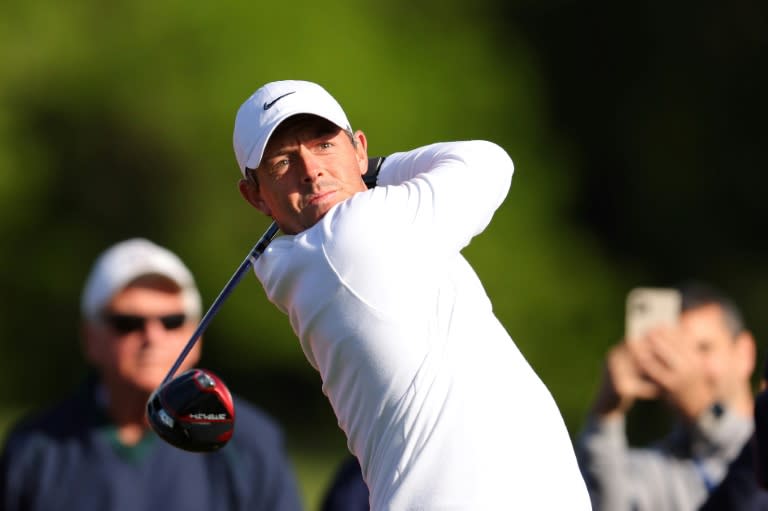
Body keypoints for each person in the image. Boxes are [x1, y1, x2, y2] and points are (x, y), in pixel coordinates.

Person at [231, 79, 592, 509]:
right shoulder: (352, 235)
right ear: (255, 195)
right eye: (282, 162)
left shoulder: (304, 260)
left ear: (357, 147)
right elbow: (489, 163)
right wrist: (376, 170)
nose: (311, 171)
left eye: (324, 145)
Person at [0, 238, 304, 511]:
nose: (152, 336)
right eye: (128, 323)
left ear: (195, 335)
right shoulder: (35, 448)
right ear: (90, 338)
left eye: (172, 321)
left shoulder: (250, 444)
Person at [576, 282, 756, 511]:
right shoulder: (654, 469)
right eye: (676, 350)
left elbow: (750, 464)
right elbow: (605, 503)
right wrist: (605, 415)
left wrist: (703, 412)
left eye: (704, 348)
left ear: (745, 353)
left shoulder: (757, 441)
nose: (689, 365)